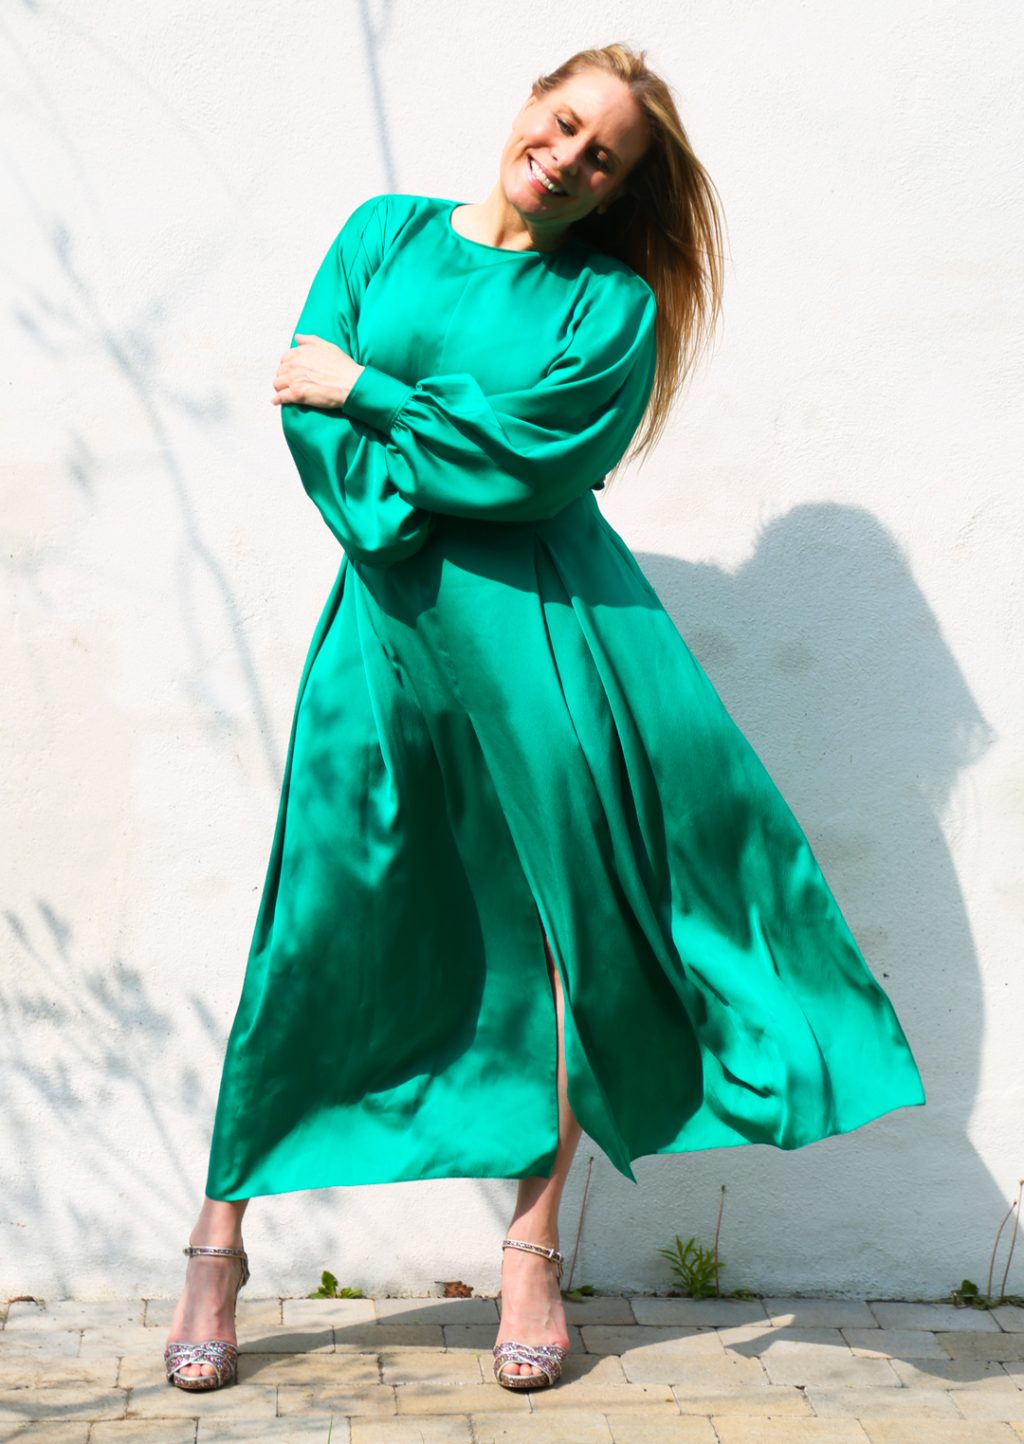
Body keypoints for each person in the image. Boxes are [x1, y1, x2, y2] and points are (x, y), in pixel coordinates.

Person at [163, 42, 926, 1395]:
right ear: (528, 102)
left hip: (546, 646)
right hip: (383, 635)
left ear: (620, 189)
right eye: (564, 122)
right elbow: (310, 414)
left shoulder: (610, 308)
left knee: (571, 933)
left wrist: (376, 394)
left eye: (603, 156)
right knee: (315, 921)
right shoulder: (382, 235)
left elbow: (527, 464)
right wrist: (399, 468)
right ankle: (215, 1246)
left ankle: (532, 1249)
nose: (569, 156)